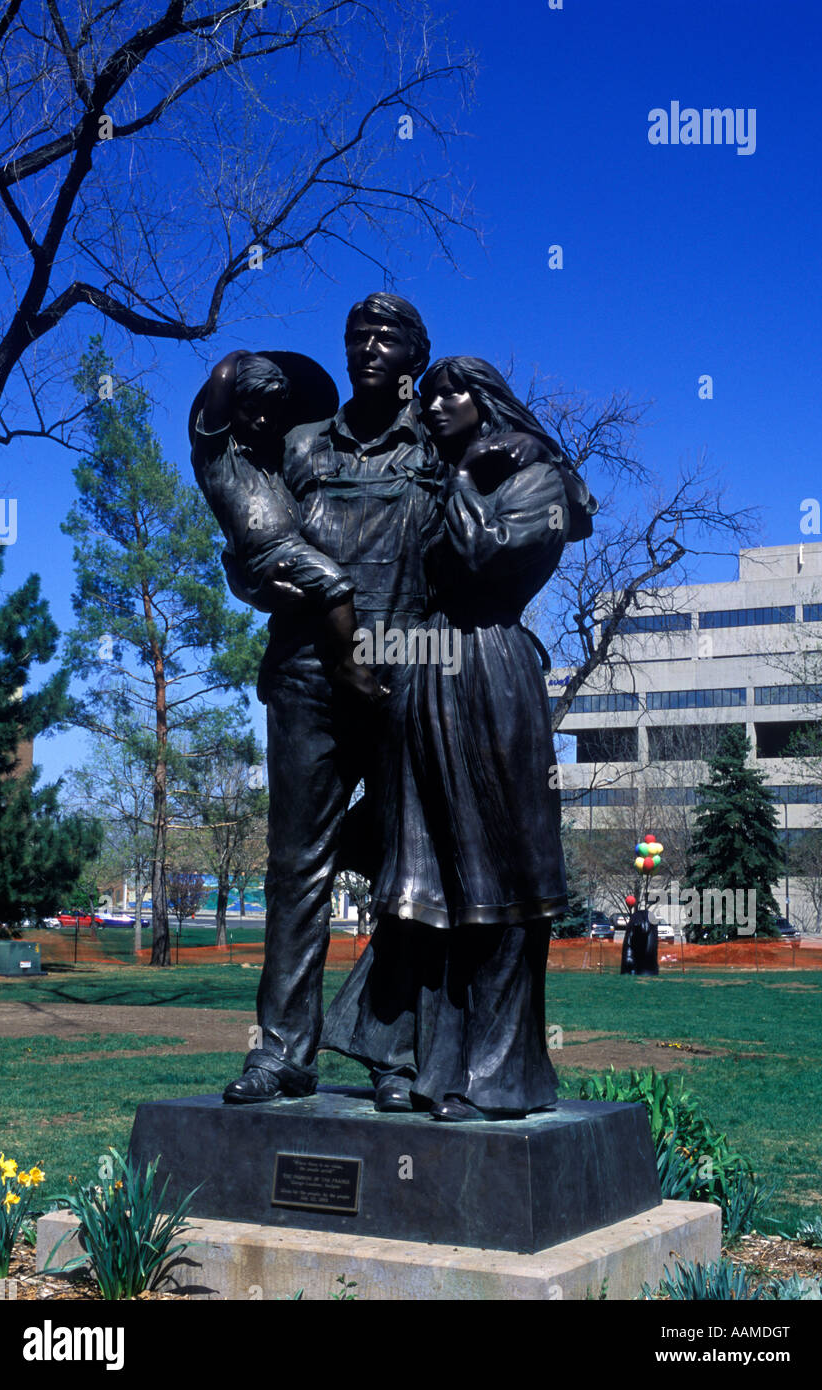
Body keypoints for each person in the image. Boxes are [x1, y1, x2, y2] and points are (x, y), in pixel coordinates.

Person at [321, 357, 596, 1120]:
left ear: (489, 401)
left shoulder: (534, 481)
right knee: (426, 877)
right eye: (431, 389)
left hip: (489, 671)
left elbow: (484, 560)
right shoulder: (436, 474)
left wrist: (469, 479)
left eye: (454, 390)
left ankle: (495, 1077)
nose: (435, 401)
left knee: (500, 878)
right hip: (424, 670)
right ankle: (417, 1063)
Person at [204, 294, 443, 1106]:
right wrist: (242, 575)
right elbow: (254, 535)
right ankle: (281, 1053)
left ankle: (397, 1056)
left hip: (406, 669)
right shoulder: (302, 445)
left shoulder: (436, 449)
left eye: (385, 338)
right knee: (293, 869)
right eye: (356, 337)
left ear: (415, 352)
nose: (368, 348)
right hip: (306, 672)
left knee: (411, 869)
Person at [191, 349, 387, 703]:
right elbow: (236, 555)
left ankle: (337, 663)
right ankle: (347, 664)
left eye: (273, 413)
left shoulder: (280, 462)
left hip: (387, 640)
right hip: (294, 632)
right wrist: (239, 357)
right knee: (335, 582)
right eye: (253, 410)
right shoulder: (220, 459)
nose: (265, 421)